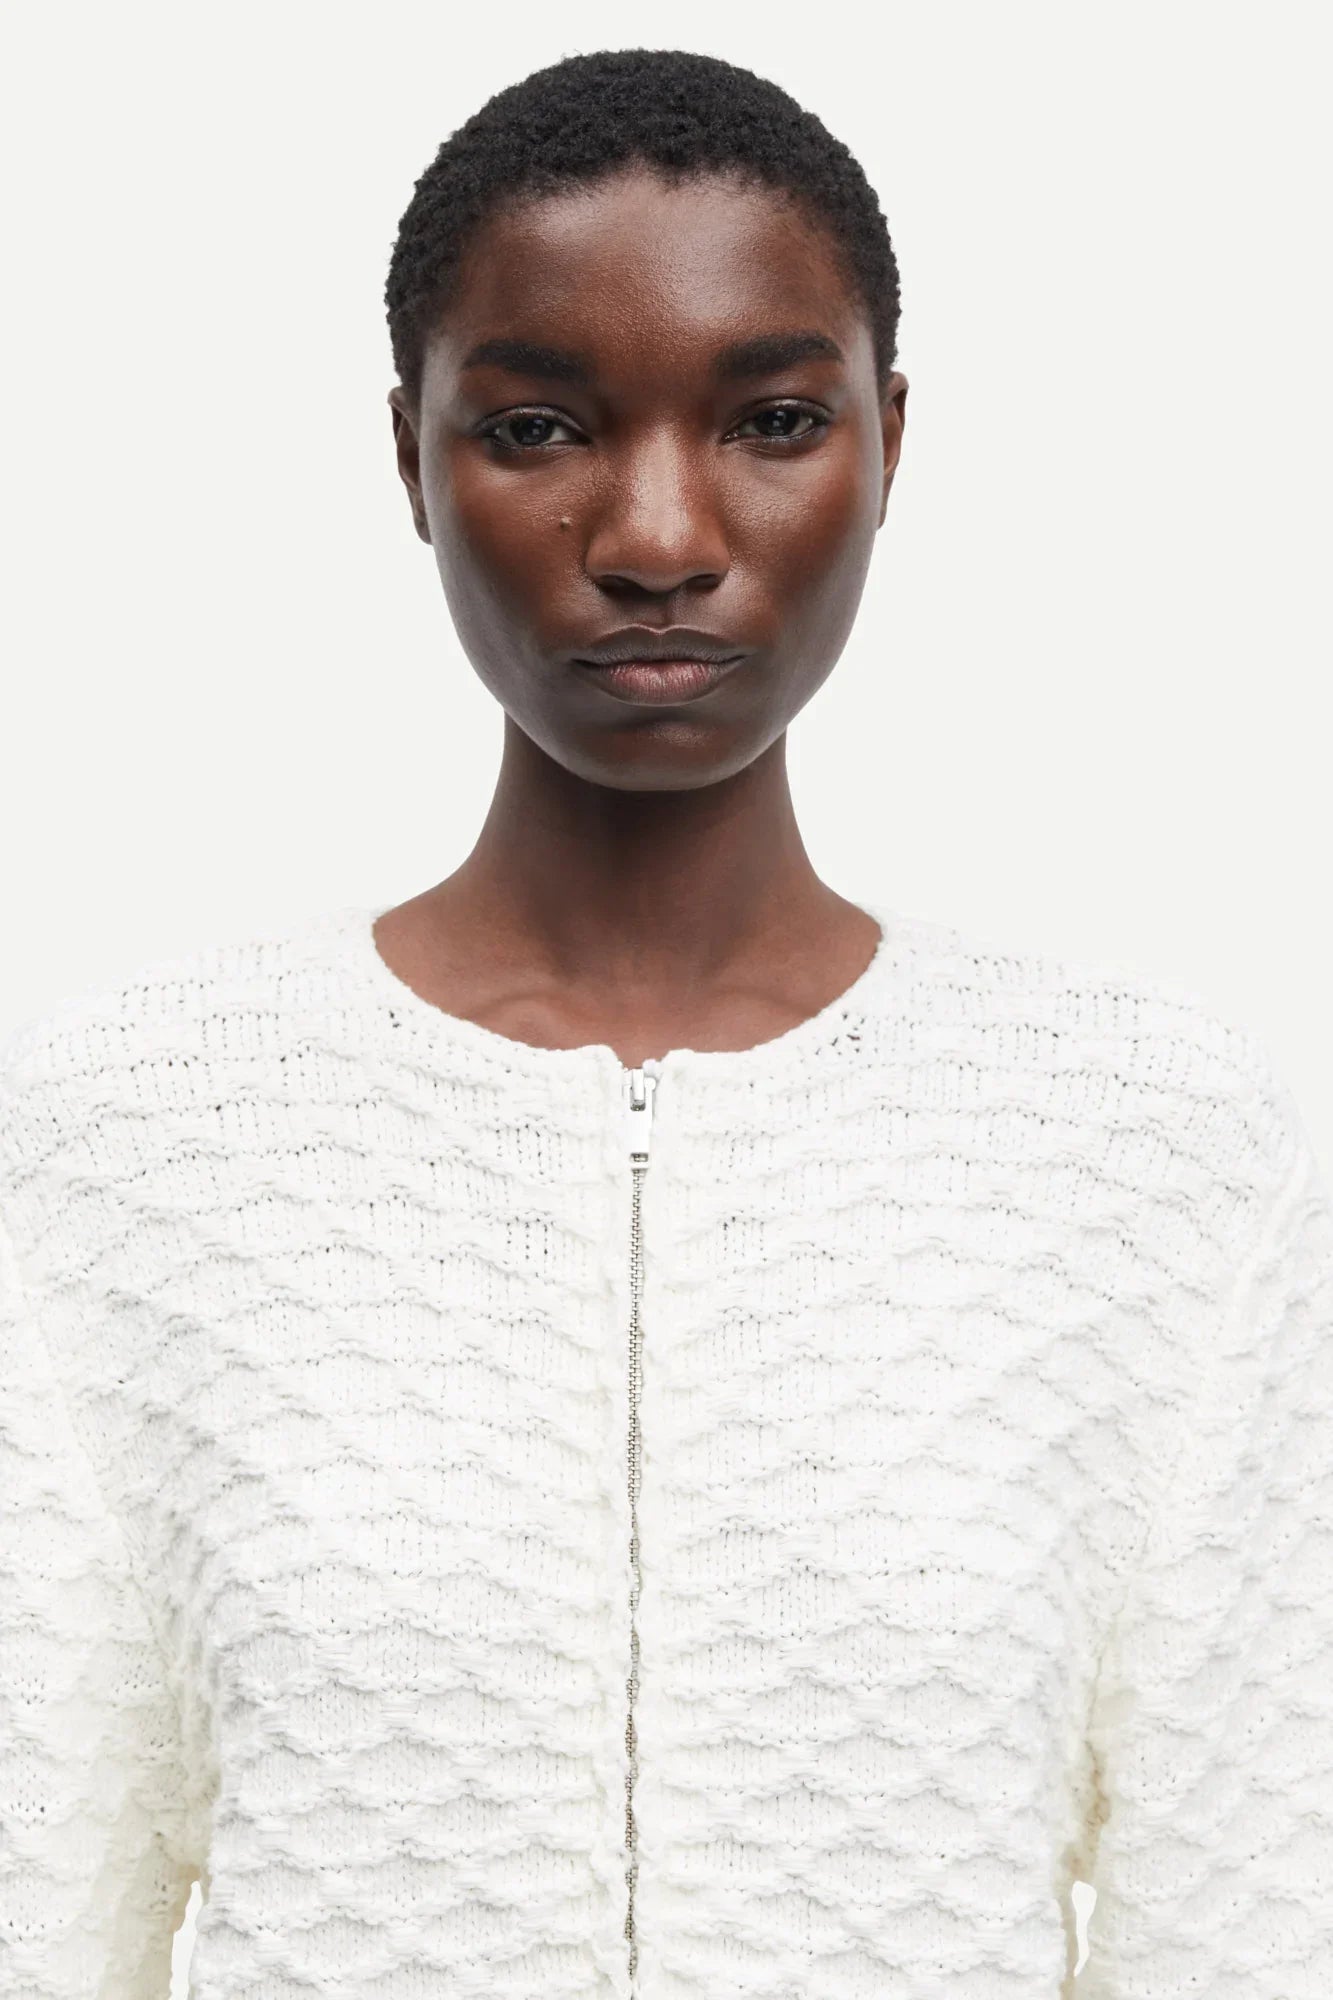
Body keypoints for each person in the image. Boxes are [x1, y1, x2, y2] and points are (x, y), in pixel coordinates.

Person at [1, 45, 1329, 2000]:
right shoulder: (125, 1146)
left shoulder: (1157, 1153)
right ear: (411, 454)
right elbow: (40, 1907)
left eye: (771, 419)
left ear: (886, 440)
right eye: (537, 427)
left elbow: (1246, 1926)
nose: (653, 535)